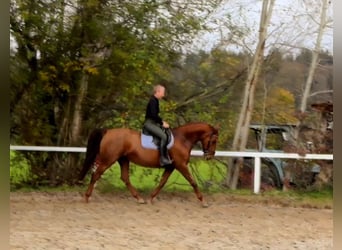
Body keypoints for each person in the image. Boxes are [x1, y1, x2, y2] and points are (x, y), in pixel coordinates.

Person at [143, 84, 173, 166]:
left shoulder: (155, 101)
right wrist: (162, 123)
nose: (163, 94)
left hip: (153, 122)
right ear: (158, 91)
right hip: (149, 123)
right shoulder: (153, 101)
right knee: (163, 136)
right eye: (163, 92)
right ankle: (163, 159)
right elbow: (153, 115)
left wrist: (162, 122)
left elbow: (155, 115)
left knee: (166, 132)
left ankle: (166, 156)